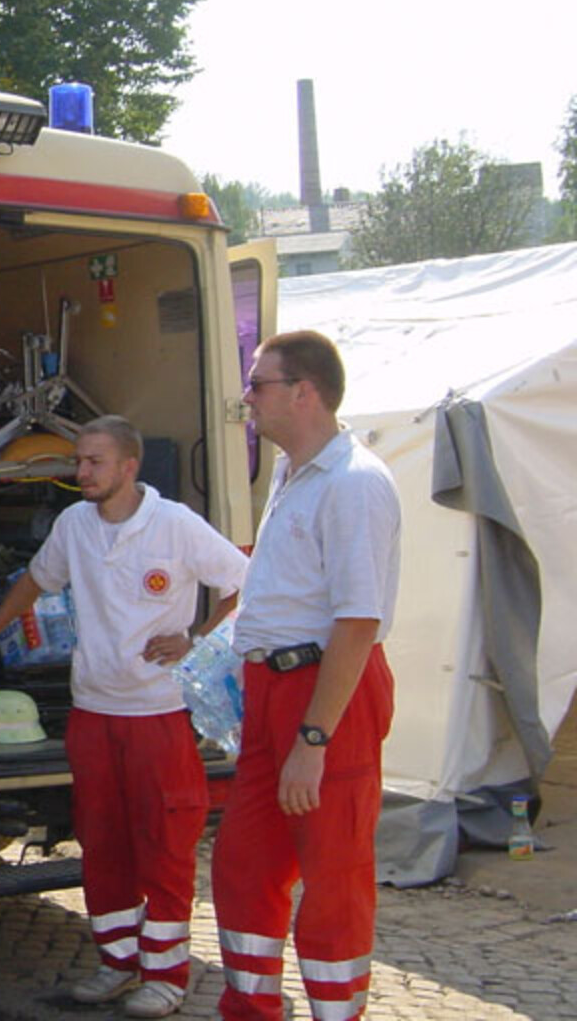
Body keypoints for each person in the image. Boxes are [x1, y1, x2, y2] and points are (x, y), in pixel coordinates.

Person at [0, 416, 248, 1019]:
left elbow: (244, 584)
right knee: (102, 843)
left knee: (165, 845)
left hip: (158, 715)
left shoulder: (175, 525)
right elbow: (34, 583)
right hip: (93, 712)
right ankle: (117, 962)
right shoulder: (74, 525)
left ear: (128, 467)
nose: (80, 472)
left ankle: (167, 974)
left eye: (93, 462)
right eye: (79, 460)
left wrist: (194, 638)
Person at [211, 331, 400, 1021]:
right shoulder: (295, 474)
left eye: (258, 385)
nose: (247, 398)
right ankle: (252, 1010)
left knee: (333, 878)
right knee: (242, 866)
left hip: (328, 694)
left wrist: (313, 739)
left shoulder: (353, 483)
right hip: (273, 692)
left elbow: (356, 623)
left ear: (304, 392)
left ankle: (336, 1013)